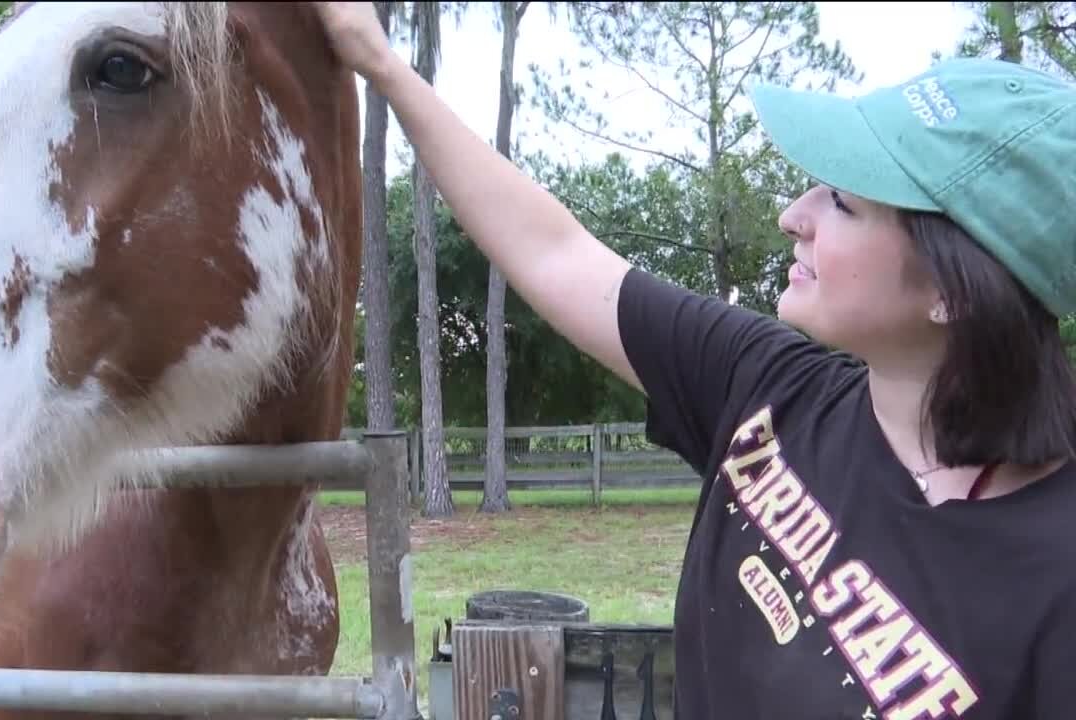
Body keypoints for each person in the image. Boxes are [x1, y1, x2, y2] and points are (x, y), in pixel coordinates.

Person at [311, 2, 1076, 717]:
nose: (793, 217)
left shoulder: (1056, 576)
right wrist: (382, 64)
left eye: (844, 202)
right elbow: (553, 253)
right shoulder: (768, 388)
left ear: (952, 288)